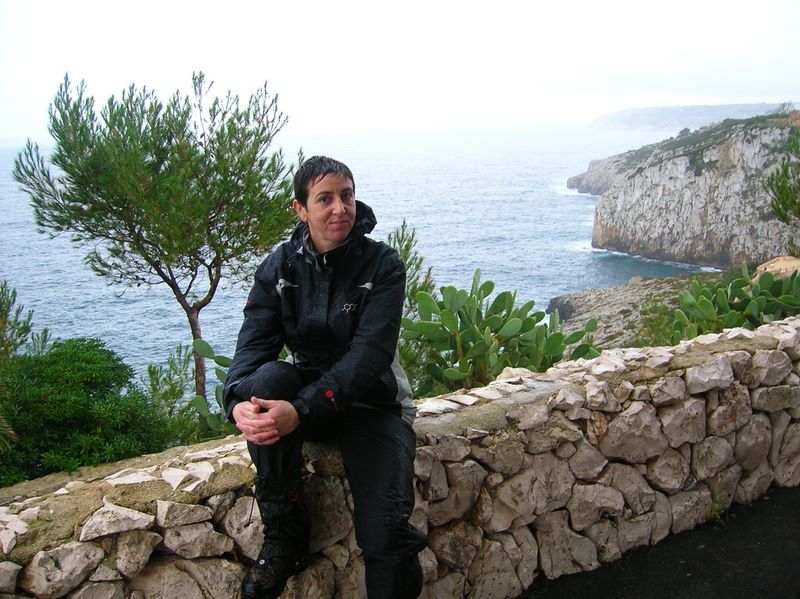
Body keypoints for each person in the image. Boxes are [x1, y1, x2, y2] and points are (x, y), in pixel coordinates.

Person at [223, 156, 426, 599]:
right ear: (301, 209)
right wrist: (236, 402)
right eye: (325, 199)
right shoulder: (280, 269)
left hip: (373, 404)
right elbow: (252, 348)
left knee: (386, 532)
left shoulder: (381, 264)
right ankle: (284, 538)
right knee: (265, 382)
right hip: (311, 404)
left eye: (347, 196)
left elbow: (369, 357)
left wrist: (300, 410)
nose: (340, 208)